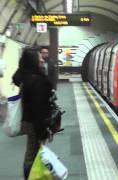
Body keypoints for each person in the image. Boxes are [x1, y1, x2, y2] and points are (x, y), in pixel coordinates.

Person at [12, 48, 53, 179]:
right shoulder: (37, 81)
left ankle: (32, 175)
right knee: (32, 154)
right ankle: (31, 176)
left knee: (32, 152)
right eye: (39, 57)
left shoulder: (25, 76)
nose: (42, 59)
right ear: (32, 61)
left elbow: (16, 76)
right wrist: (42, 132)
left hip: (28, 121)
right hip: (36, 123)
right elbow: (38, 109)